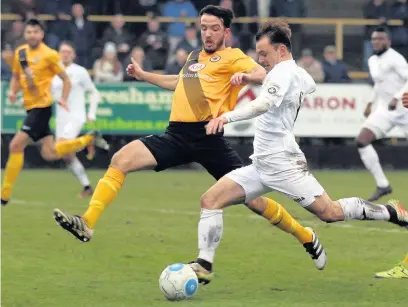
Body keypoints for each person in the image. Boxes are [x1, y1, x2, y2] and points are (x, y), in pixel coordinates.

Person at [52, 5, 326, 280]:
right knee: (120, 159)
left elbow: (262, 74)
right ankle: (87, 223)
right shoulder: (195, 57)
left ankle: (305, 235)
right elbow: (179, 82)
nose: (207, 33)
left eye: (214, 28)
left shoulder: (233, 56)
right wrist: (145, 76)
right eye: (204, 27)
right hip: (176, 135)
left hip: (209, 138)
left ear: (226, 32)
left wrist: (245, 76)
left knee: (254, 202)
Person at [190, 20, 408, 282]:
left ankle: (390, 212)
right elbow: (305, 83)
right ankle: (204, 265)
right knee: (210, 200)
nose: (260, 59)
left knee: (329, 212)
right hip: (261, 165)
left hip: (284, 163)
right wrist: (252, 77)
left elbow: (265, 103)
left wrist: (227, 118)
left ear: (281, 51)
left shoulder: (283, 73)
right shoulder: (296, 73)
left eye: (264, 54)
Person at [0, 19, 108, 206]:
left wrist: (64, 99)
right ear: (25, 34)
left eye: (35, 31)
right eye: (29, 32)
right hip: (30, 106)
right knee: (49, 153)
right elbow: (17, 76)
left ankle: (4, 194)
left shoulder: (49, 55)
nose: (32, 35)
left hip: (42, 107)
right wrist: (12, 91)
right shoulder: (21, 53)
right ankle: (86, 140)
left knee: (16, 145)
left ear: (41, 34)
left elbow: (65, 79)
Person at [356, 27, 408, 201]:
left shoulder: (396, 58)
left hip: (404, 108)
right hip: (386, 110)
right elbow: (379, 84)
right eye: (374, 39)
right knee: (362, 140)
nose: (376, 42)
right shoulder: (372, 60)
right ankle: (383, 185)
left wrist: (396, 97)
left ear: (389, 41)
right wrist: (371, 102)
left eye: (380, 39)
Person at [51, 41, 102, 198]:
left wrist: (91, 113)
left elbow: (94, 93)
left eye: (68, 51)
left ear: (73, 55)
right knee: (66, 155)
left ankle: (88, 140)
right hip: (60, 118)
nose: (65, 54)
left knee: (61, 146)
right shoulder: (54, 73)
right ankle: (87, 187)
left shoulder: (80, 72)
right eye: (62, 51)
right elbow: (49, 94)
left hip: (75, 115)